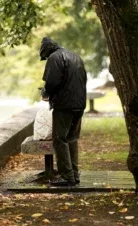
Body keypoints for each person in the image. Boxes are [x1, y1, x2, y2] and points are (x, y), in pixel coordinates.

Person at [39, 37, 87, 186]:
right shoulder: (75, 56)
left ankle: (66, 176)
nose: (46, 58)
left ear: (47, 50)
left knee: (60, 139)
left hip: (64, 105)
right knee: (71, 138)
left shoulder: (54, 58)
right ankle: (74, 174)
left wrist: (45, 92)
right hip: (79, 104)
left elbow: (52, 82)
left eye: (45, 56)